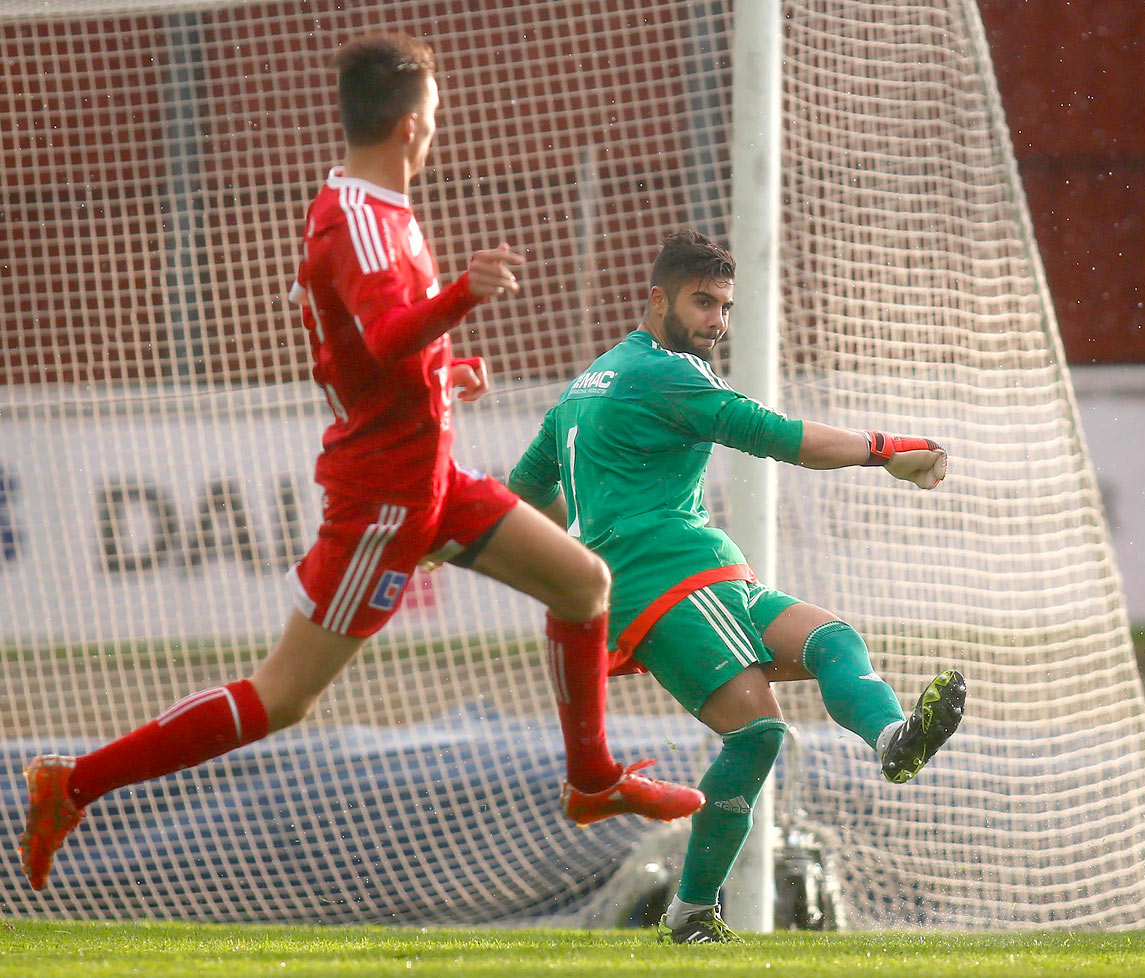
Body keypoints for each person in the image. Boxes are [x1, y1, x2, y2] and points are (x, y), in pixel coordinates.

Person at [17, 33, 703, 894]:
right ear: (414, 124)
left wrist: (444, 375)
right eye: (438, 116)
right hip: (383, 499)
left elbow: (365, 354)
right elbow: (381, 336)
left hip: (432, 479)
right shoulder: (364, 220)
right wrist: (463, 293)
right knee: (284, 697)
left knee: (583, 584)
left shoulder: (367, 205)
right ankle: (70, 784)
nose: (438, 130)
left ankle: (593, 781)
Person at [507, 229, 967, 944]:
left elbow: (528, 493)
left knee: (830, 639)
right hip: (669, 581)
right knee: (756, 733)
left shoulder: (583, 385)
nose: (715, 321)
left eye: (724, 306)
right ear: (656, 299)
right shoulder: (667, 376)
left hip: (703, 573)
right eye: (701, 302)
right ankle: (693, 913)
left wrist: (594, 529)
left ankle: (891, 740)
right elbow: (782, 437)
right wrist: (888, 450)